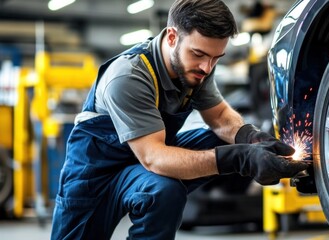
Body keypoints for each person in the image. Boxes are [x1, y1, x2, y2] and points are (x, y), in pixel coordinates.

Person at [50, 0, 308, 239]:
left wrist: (251, 138)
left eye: (215, 58)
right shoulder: (128, 76)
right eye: (198, 54)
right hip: (95, 180)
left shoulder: (198, 67)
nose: (207, 68)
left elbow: (218, 116)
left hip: (142, 167)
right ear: (172, 37)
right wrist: (240, 157)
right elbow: (155, 158)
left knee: (166, 190)